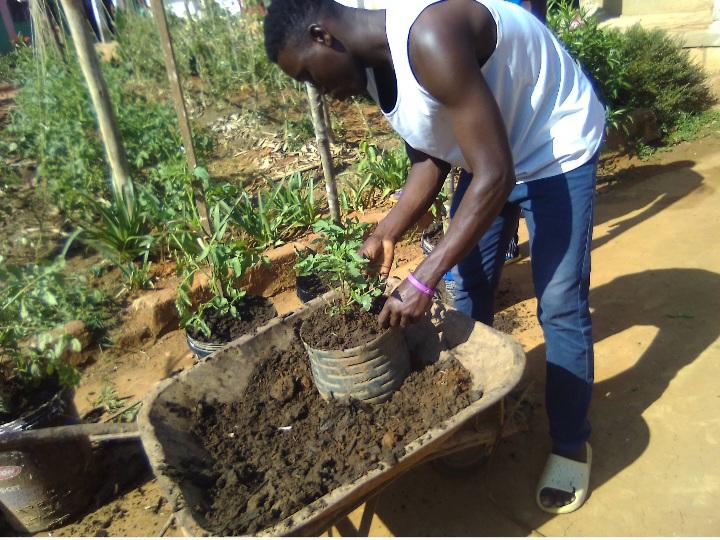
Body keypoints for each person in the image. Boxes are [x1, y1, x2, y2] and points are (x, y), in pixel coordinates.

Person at [264, 0, 604, 514]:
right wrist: (385, 230)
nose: (319, 91)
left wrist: (423, 277)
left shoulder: (429, 37)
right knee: (468, 289)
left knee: (559, 303)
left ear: (322, 35)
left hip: (553, 144)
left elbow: (495, 176)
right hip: (492, 149)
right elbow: (431, 153)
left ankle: (571, 443)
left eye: (309, 73)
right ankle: (480, 410)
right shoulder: (377, 70)